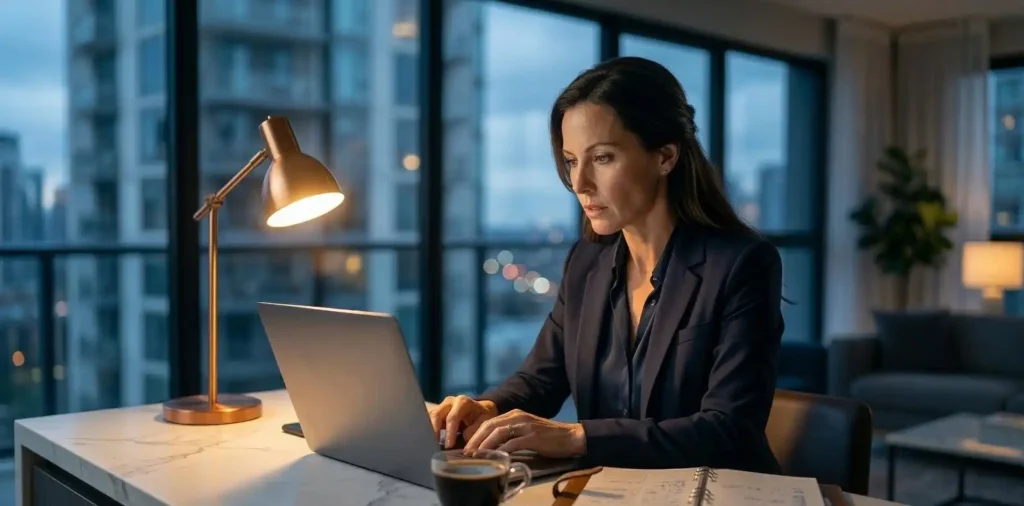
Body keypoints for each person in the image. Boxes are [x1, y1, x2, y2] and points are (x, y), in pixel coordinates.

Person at [429, 56, 784, 473]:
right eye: (571, 160)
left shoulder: (742, 264)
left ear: (665, 156)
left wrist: (576, 437)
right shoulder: (586, 263)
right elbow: (541, 379)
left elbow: (730, 429)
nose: (579, 184)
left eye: (602, 158)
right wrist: (485, 408)